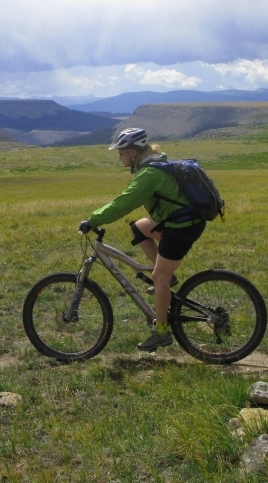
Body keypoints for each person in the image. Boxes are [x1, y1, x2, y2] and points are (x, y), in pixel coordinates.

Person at [79, 128, 206, 352]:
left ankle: (162, 333)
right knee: (139, 228)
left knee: (158, 277)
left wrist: (93, 219)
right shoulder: (150, 166)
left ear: (134, 153)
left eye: (121, 152)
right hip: (177, 220)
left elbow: (124, 203)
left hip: (182, 226)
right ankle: (168, 278)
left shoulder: (149, 174)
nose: (119, 156)